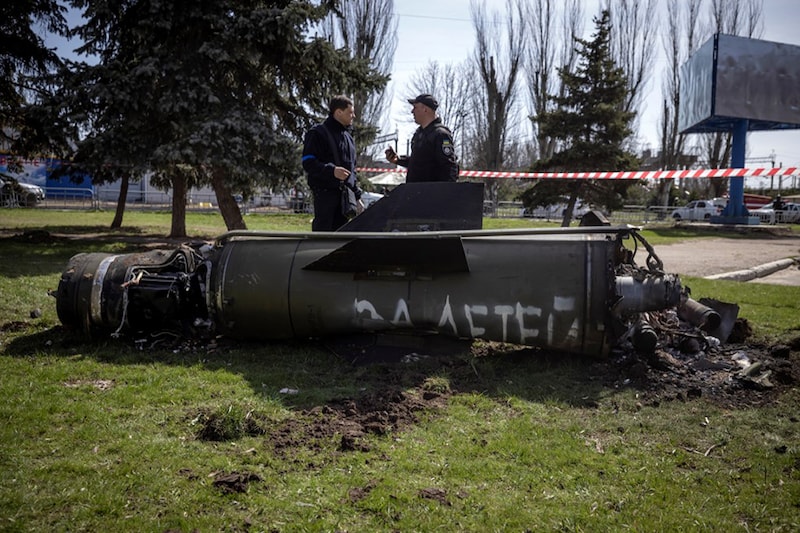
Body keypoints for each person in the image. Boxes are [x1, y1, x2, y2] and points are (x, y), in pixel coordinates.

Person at [302, 95, 363, 231]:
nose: (353, 115)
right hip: (324, 194)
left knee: (341, 238)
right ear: (338, 112)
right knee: (322, 237)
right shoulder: (317, 133)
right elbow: (308, 162)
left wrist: (357, 196)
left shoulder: (349, 138)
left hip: (345, 199)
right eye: (350, 112)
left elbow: (352, 170)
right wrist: (332, 171)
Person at [385, 94, 459, 182]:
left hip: (431, 193)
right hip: (416, 191)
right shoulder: (419, 134)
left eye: (415, 107)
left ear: (425, 109)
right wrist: (398, 160)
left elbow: (448, 167)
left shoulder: (440, 134)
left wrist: (445, 193)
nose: (412, 111)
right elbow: (420, 163)